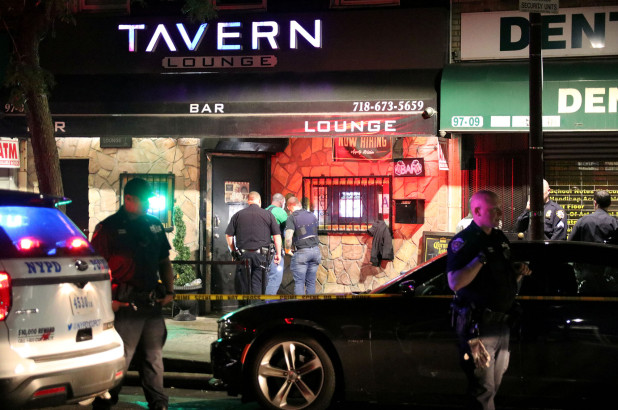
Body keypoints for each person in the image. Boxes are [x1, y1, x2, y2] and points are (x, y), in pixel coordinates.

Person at [91, 178, 175, 410]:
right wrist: (108, 302)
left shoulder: (154, 225)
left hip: (150, 304)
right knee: (120, 359)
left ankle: (159, 404)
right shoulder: (108, 228)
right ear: (128, 199)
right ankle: (104, 403)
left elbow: (164, 261)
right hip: (124, 305)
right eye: (144, 200)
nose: (148, 204)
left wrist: (169, 291)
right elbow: (96, 270)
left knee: (153, 358)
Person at [447, 190, 531, 410]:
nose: (500, 213)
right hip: (478, 329)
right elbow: (455, 282)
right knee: (483, 389)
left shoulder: (499, 237)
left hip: (501, 324)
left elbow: (501, 276)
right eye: (495, 209)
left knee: (494, 384)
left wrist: (517, 271)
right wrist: (480, 260)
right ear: (477, 211)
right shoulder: (464, 241)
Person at [226, 191, 282, 294]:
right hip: (261, 256)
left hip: (243, 255)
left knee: (244, 287)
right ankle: (256, 304)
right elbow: (276, 236)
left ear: (248, 201)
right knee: (258, 288)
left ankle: (246, 304)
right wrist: (278, 254)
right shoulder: (268, 215)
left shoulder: (238, 215)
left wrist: (234, 252)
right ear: (259, 201)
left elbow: (229, 235)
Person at [285, 196, 321, 295]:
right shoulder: (312, 215)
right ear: (300, 204)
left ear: (289, 207)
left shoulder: (292, 217)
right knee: (311, 282)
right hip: (316, 251)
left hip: (302, 253)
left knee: (299, 283)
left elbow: (288, 237)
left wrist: (287, 249)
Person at [265, 193, 288, 294]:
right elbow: (289, 227)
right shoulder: (280, 211)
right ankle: (268, 302)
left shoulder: (265, 210)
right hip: (274, 250)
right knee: (274, 279)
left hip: (263, 250)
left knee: (265, 279)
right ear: (282, 201)